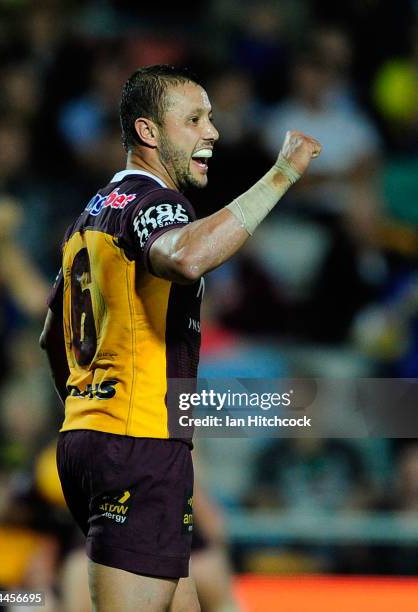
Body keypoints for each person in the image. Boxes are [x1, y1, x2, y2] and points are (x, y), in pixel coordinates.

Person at [40, 64, 321, 612]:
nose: (211, 131)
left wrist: (90, 418)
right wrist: (282, 173)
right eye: (193, 119)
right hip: (140, 443)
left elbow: (54, 336)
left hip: (92, 440)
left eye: (211, 118)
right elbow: (187, 256)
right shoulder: (156, 203)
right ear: (149, 133)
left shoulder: (91, 216)